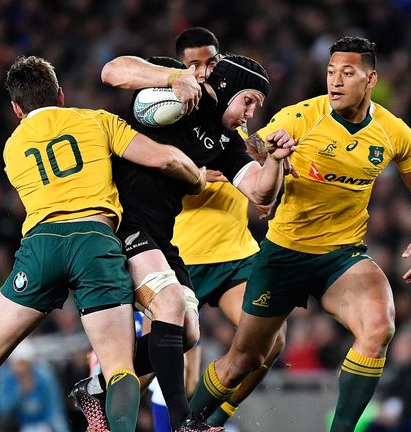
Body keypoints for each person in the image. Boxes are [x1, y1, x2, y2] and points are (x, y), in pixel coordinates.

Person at [0, 55, 206, 432]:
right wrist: (198, 178)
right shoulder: (96, 120)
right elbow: (164, 159)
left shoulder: (12, 147)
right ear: (60, 95)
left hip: (40, 247)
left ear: (16, 108)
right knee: (119, 366)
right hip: (95, 242)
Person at [187, 36, 411, 432]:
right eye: (330, 72)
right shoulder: (303, 116)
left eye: (348, 73)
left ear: (370, 79)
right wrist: (270, 153)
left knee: (379, 328)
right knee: (243, 361)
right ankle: (189, 423)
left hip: (341, 256)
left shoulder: (393, 131)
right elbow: (251, 143)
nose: (335, 81)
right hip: (284, 254)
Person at [72, 53, 295, 432]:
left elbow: (260, 192)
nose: (251, 114)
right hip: (120, 219)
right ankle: (184, 423)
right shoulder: (174, 90)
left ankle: (95, 386)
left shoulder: (226, 142)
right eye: (249, 101)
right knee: (172, 306)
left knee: (188, 332)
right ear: (224, 89)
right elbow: (111, 71)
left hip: (160, 233)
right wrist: (174, 76)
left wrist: (274, 160)